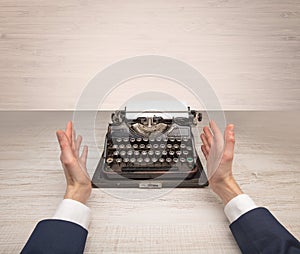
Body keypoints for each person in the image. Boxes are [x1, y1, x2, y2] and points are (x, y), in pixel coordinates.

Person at [21, 121, 300, 254]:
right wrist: (227, 184)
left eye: (156, 122)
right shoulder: (118, 126)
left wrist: (75, 192)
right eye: (142, 122)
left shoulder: (181, 127)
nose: (150, 125)